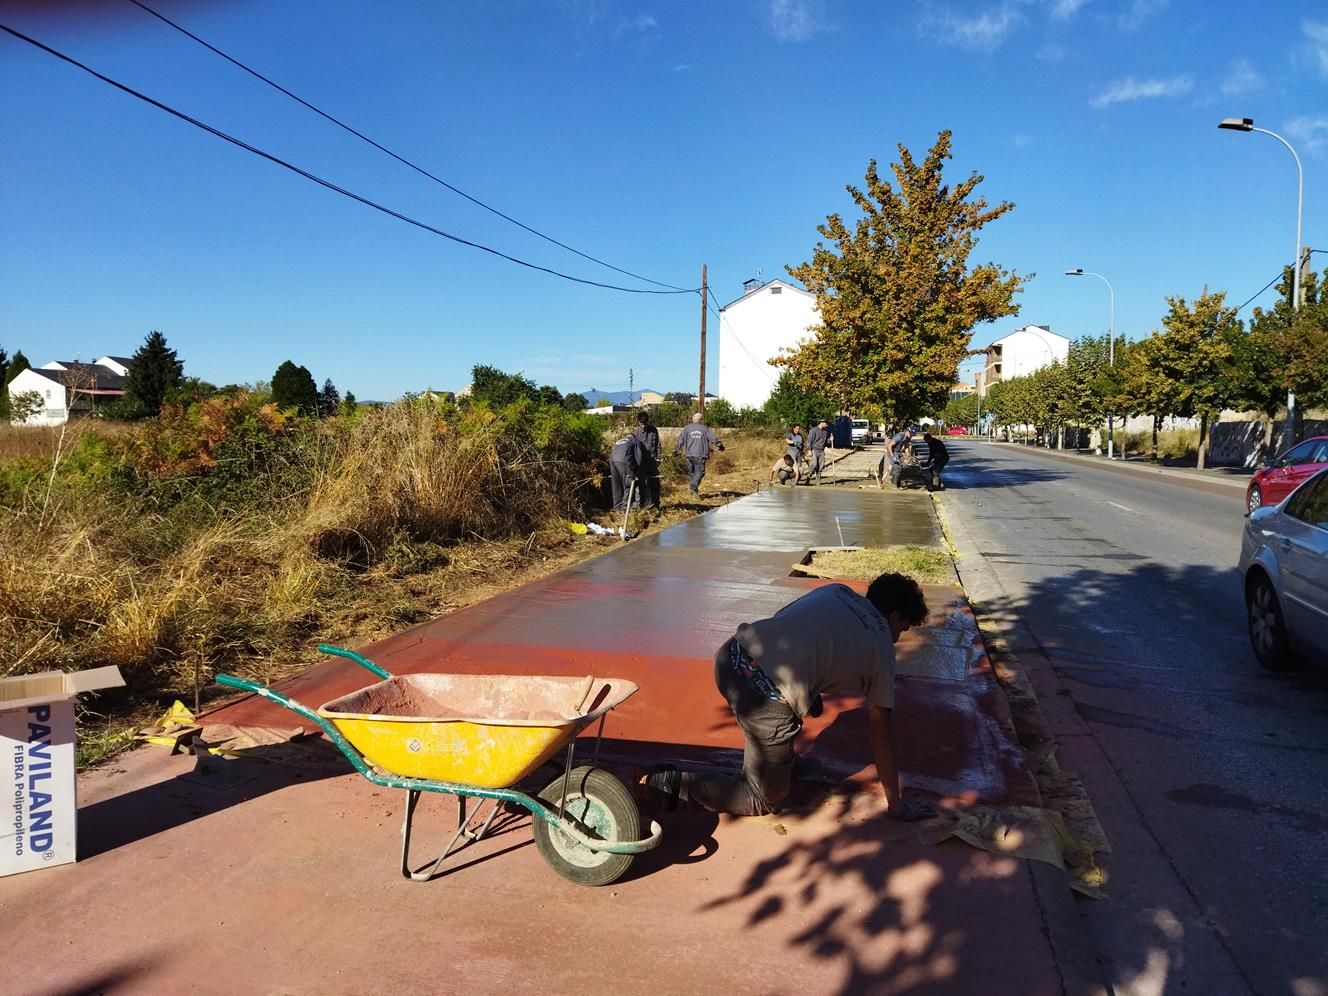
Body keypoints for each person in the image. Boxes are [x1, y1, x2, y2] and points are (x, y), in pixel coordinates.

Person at [645, 574, 933, 821]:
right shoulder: (883, 651)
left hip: (730, 657)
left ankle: (781, 760)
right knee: (762, 797)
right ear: (894, 615)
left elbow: (787, 626)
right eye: (902, 628)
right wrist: (896, 805)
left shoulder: (835, 591)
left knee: (789, 708)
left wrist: (810, 689)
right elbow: (880, 736)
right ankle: (672, 784)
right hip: (764, 699)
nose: (897, 638)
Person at [674, 412, 724, 495]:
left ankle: (694, 493)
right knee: (700, 472)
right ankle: (692, 488)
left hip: (689, 454)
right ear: (701, 420)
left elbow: (680, 440)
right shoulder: (705, 429)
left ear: (693, 419)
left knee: (693, 474)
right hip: (700, 455)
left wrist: (676, 450)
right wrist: (720, 445)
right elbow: (713, 439)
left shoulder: (686, 428)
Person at [632, 411, 662, 509]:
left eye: (645, 423)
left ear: (648, 421)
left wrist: (659, 457)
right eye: (641, 424)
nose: (643, 426)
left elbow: (658, 445)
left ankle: (656, 505)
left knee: (655, 484)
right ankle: (639, 507)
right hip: (641, 464)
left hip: (652, 462)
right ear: (638, 422)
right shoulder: (635, 434)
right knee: (641, 485)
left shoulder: (654, 430)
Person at [608, 430, 644, 511]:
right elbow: (639, 457)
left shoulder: (619, 441)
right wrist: (637, 471)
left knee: (616, 485)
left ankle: (617, 507)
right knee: (629, 483)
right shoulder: (635, 440)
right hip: (624, 461)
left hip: (612, 461)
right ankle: (624, 508)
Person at [807, 419, 833, 484]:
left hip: (821, 450)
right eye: (826, 423)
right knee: (813, 465)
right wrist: (809, 450)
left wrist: (830, 440)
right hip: (814, 450)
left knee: (820, 466)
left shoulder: (825, 432)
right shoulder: (813, 430)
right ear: (822, 423)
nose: (827, 425)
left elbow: (826, 442)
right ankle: (808, 477)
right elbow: (809, 441)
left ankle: (818, 481)